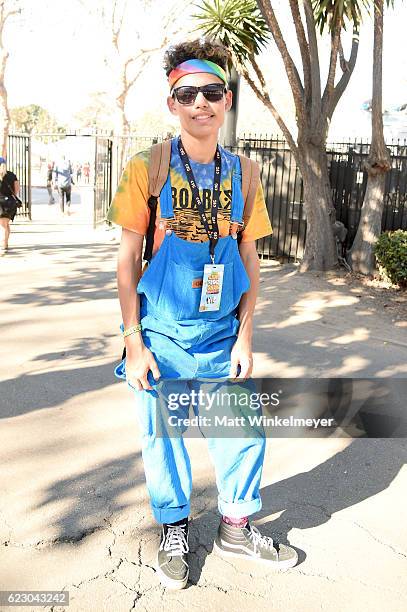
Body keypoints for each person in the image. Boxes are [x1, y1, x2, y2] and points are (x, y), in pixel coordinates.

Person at [107, 39, 298, 591]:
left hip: (220, 335)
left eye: (211, 93)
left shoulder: (246, 174)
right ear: (172, 103)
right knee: (163, 439)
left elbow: (249, 257)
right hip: (161, 334)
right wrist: (133, 341)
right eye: (186, 93)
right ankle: (174, 526)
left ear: (227, 99)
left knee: (242, 432)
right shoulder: (149, 167)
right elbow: (125, 260)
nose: (201, 104)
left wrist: (245, 336)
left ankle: (235, 528)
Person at [0, 157, 20, 255]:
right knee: (5, 224)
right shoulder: (12, 175)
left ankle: (3, 246)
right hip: (9, 203)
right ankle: (5, 244)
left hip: (1, 203)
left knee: (3, 226)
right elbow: (16, 190)